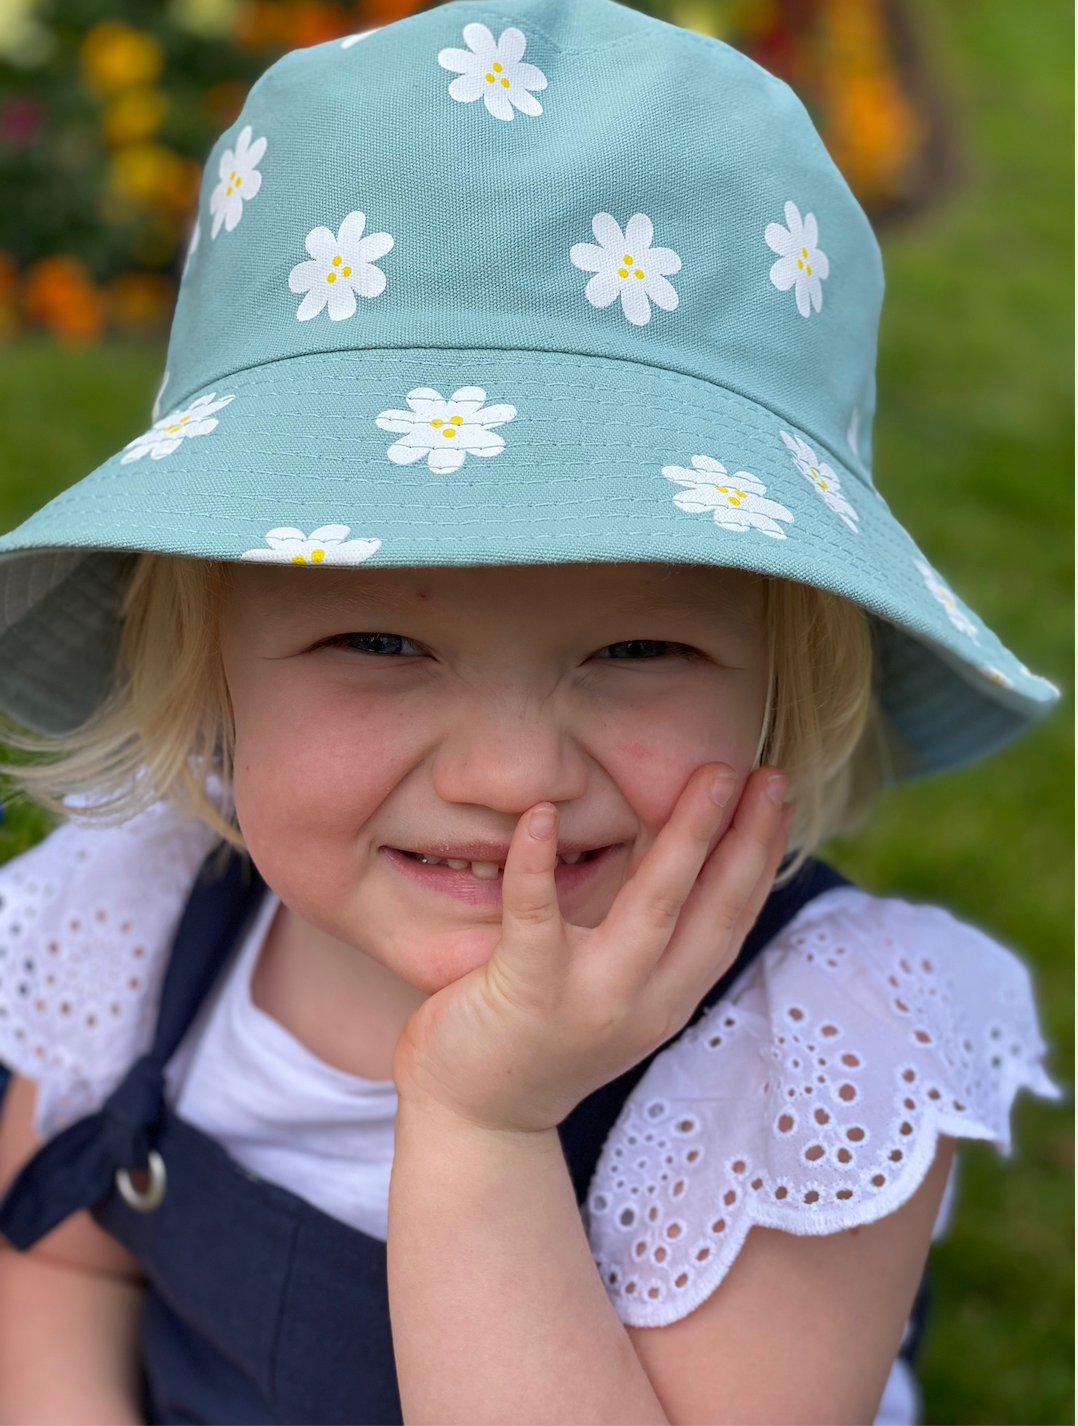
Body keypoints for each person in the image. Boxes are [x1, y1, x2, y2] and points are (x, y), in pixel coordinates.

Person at [0, 3, 1059, 1422]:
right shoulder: (143, 930)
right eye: (375, 637)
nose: (511, 775)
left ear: (783, 677)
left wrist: (485, 1126)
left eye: (635, 647)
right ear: (205, 669)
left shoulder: (808, 1046)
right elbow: (63, 1266)